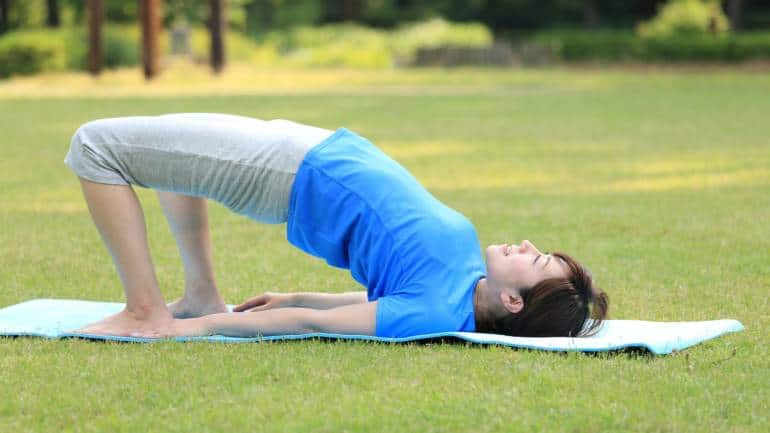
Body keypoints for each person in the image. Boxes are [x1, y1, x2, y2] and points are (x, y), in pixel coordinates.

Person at [63, 113, 608, 339]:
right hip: (308, 152)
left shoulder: (432, 312)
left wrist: (204, 330)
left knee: (94, 145)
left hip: (288, 172)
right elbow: (356, 298)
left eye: (534, 261)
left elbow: (312, 324)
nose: (527, 245)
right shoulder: (463, 284)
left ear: (514, 303)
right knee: (166, 155)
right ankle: (201, 293)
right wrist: (295, 292)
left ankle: (147, 313)